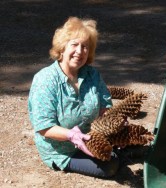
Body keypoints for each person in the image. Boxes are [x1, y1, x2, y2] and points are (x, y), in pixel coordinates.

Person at [28, 16, 119, 178]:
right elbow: (44, 126)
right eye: (75, 45)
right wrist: (71, 135)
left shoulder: (92, 75)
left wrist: (112, 123)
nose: (80, 51)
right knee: (109, 167)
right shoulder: (45, 80)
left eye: (85, 47)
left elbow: (106, 106)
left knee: (121, 150)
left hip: (92, 139)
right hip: (62, 150)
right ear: (62, 48)